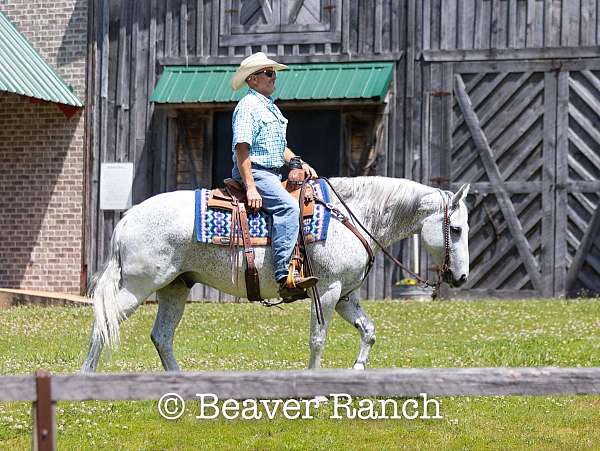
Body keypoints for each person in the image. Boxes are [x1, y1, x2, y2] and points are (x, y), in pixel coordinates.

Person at [230, 52, 319, 300]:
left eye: (274, 73)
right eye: (269, 73)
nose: (274, 78)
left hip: (270, 171)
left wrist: (297, 161)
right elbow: (242, 148)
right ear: (252, 79)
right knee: (289, 208)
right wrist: (250, 187)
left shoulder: (268, 107)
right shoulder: (248, 107)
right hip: (256, 171)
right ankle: (284, 276)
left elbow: (278, 148)